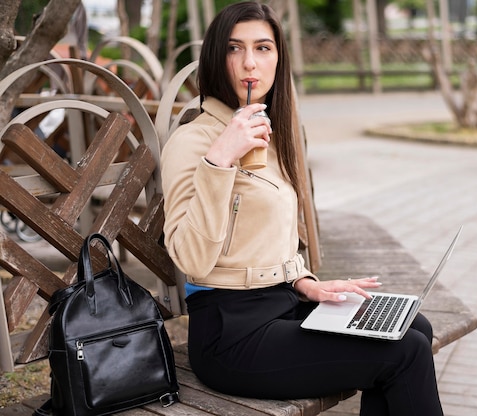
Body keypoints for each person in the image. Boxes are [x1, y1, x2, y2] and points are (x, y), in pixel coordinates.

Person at [160, 3, 444, 415]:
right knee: (405, 352)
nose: (249, 63)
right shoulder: (193, 142)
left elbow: (267, 238)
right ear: (215, 58)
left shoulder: (270, 135)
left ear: (279, 59)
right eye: (234, 49)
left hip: (283, 303)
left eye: (263, 48)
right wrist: (219, 161)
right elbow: (192, 259)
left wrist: (305, 282)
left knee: (414, 327)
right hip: (230, 331)